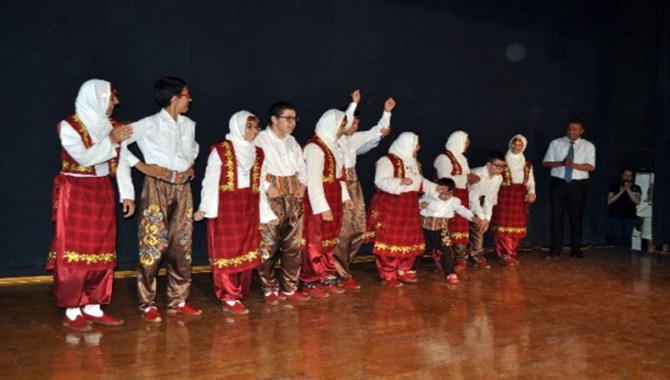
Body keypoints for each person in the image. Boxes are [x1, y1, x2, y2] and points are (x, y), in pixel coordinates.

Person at [48, 79, 133, 331]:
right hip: (76, 191)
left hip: (102, 190)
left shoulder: (114, 127)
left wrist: (126, 194)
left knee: (102, 248)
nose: (116, 102)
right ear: (96, 98)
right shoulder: (69, 126)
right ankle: (72, 308)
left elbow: (123, 162)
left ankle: (94, 305)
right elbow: (83, 157)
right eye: (112, 97)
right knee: (75, 250)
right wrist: (111, 140)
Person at [117, 76, 201, 322]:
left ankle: (179, 299)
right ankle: (147, 303)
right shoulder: (149, 124)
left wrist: (190, 164)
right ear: (175, 98)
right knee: (153, 244)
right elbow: (119, 144)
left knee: (182, 245)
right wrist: (141, 166)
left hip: (182, 188)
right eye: (187, 95)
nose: (190, 99)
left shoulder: (188, 124)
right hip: (157, 187)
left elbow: (193, 148)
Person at [193, 111, 265, 315]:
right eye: (248, 127)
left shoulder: (258, 153)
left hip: (249, 208)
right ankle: (228, 295)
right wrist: (204, 208)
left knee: (246, 251)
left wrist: (266, 213)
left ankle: (240, 291)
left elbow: (260, 184)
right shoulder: (221, 150)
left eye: (255, 128)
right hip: (226, 208)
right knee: (227, 252)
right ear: (237, 127)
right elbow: (210, 181)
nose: (252, 132)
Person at [334, 90, 394, 290]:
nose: (355, 127)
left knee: (359, 229)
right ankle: (338, 272)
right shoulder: (331, 142)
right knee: (342, 232)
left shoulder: (353, 140)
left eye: (357, 124)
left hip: (354, 185)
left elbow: (379, 131)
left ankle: (342, 267)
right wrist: (353, 104)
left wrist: (387, 112)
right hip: (337, 186)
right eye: (352, 122)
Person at [366, 132, 440, 287]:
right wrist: (399, 182)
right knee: (390, 239)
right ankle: (388, 273)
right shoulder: (388, 160)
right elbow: (379, 181)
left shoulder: (413, 162)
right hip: (391, 204)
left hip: (409, 205)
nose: (418, 148)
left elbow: (420, 182)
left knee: (409, 238)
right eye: (416, 144)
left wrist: (437, 189)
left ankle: (403, 270)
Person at [255, 101, 310, 305]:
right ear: (274, 119)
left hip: (293, 198)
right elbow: (254, 169)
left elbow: (302, 167)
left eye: (295, 119)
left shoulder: (292, 142)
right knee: (268, 246)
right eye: (288, 118)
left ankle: (290, 286)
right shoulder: (260, 140)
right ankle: (269, 288)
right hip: (272, 199)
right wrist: (268, 186)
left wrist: (302, 185)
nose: (293, 123)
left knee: (293, 246)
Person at [300, 107, 354, 297]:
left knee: (328, 241)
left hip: (333, 198)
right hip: (318, 202)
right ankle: (310, 280)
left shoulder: (334, 146)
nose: (342, 129)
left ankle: (324, 274)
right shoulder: (315, 148)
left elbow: (338, 178)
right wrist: (323, 207)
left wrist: (345, 198)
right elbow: (313, 181)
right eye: (340, 125)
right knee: (314, 242)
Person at [543, 119, 596, 258]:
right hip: (558, 183)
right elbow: (546, 163)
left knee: (576, 217)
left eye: (575, 129)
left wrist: (572, 165)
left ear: (581, 131)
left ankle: (576, 249)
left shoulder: (588, 146)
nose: (571, 132)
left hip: (578, 185)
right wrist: (562, 163)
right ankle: (555, 249)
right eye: (569, 129)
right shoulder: (556, 143)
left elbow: (590, 166)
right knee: (556, 217)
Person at [419, 178, 481, 284]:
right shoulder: (427, 197)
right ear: (437, 190)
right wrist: (420, 205)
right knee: (419, 249)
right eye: (443, 192)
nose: (446, 196)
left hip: (442, 229)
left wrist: (473, 217)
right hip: (425, 229)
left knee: (446, 250)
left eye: (449, 193)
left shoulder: (454, 201)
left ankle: (450, 273)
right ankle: (408, 269)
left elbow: (461, 209)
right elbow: (416, 204)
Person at [433, 131, 478, 271]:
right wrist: (466, 179)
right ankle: (443, 260)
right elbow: (444, 178)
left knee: (460, 228)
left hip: (461, 196)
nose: (468, 143)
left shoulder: (461, 159)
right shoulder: (444, 158)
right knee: (446, 228)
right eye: (466, 140)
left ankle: (460, 258)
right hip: (447, 197)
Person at [491, 135, 536, 265]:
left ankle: (512, 252)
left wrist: (532, 192)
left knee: (518, 225)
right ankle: (504, 254)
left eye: (519, 145)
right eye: (514, 144)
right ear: (510, 144)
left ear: (524, 147)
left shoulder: (527, 164)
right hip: (504, 195)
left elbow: (530, 181)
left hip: (520, 197)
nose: (516, 147)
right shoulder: (502, 161)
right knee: (503, 225)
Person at [467, 151, 505, 268]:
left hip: (481, 202)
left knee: (480, 228)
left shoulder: (498, 178)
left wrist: (487, 218)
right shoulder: (477, 174)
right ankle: (460, 257)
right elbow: (472, 197)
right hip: (465, 201)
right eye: (497, 166)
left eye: (503, 166)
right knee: (462, 230)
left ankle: (477, 256)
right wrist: (481, 217)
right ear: (489, 165)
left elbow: (490, 198)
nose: (501, 169)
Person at [607, 167, 641, 249]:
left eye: (629, 176)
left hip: (630, 217)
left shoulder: (636, 187)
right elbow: (608, 201)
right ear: (621, 175)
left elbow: (637, 201)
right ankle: (617, 257)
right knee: (617, 237)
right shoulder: (614, 186)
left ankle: (626, 258)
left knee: (627, 238)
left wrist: (628, 190)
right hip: (615, 216)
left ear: (632, 177)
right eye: (625, 175)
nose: (627, 177)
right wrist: (620, 192)